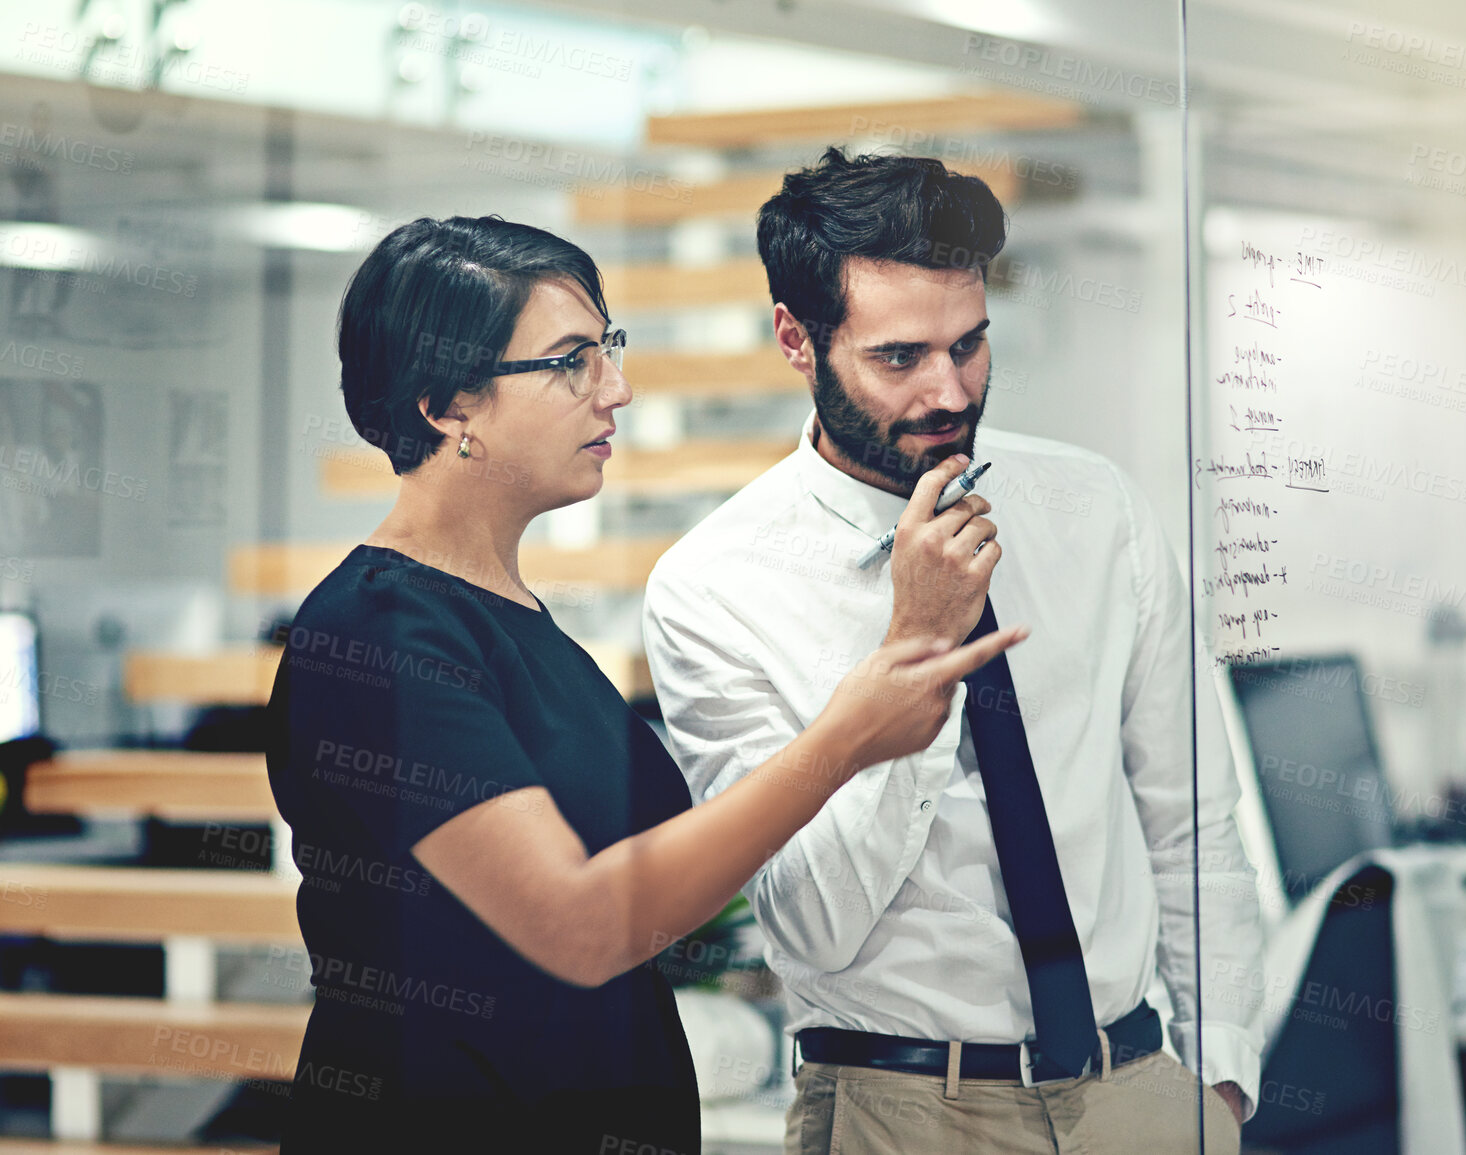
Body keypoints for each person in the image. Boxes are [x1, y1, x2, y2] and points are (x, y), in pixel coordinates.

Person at [263, 214, 1024, 1153]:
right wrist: (844, 739)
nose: (615, 390)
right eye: (570, 361)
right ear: (444, 407)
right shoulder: (378, 630)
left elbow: (664, 888)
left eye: (606, 350)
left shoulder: (521, 623)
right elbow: (579, 924)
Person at [642, 150, 1264, 1154]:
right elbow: (811, 926)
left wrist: (1219, 1078)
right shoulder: (714, 587)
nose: (948, 390)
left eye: (969, 346)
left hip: (1135, 1093)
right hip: (903, 1110)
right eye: (899, 358)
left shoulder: (1096, 508)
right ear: (797, 341)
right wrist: (920, 641)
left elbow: (1192, 822)